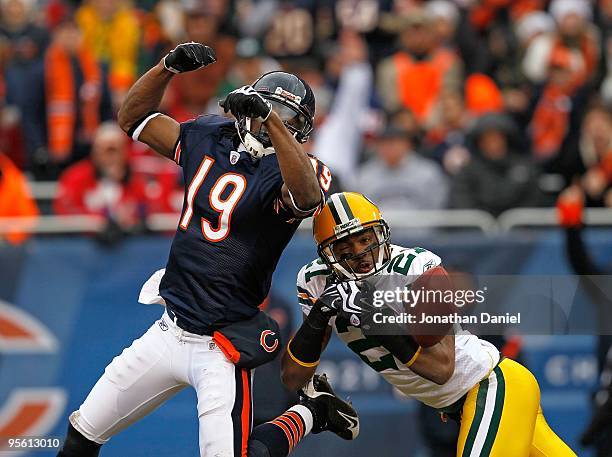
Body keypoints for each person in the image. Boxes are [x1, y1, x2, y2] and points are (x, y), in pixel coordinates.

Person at [56, 42, 355, 457]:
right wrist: (167, 67)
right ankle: (313, 411)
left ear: (300, 130)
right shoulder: (208, 134)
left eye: (287, 119)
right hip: (169, 328)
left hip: (222, 346)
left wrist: (271, 121)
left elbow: (305, 197)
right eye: (269, 109)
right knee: (81, 435)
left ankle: (309, 413)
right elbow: (133, 118)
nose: (272, 123)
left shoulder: (305, 168)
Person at [281, 191, 577, 456]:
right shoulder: (315, 281)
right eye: (345, 248)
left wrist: (375, 318)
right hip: (468, 404)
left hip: (492, 385)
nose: (360, 254)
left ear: (380, 234)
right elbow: (293, 378)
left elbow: (442, 368)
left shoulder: (417, 269)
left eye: (365, 239)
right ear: (328, 253)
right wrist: (319, 316)